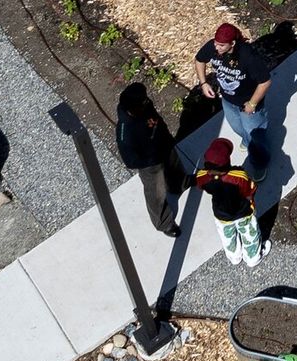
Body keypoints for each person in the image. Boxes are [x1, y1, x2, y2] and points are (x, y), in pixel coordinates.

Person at [115, 83, 183, 237]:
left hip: (164, 145)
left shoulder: (144, 105)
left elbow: (156, 119)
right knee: (156, 193)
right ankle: (164, 223)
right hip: (150, 164)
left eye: (145, 99)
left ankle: (180, 184)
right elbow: (130, 161)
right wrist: (150, 159)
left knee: (175, 167)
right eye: (143, 102)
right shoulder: (125, 130)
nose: (147, 102)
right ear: (133, 108)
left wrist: (166, 136)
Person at [194, 20, 271, 153]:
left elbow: (265, 82)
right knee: (237, 127)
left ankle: (261, 159)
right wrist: (204, 83)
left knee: (255, 134)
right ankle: (247, 140)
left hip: (248, 103)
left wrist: (252, 104)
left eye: (221, 45)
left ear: (232, 43)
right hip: (228, 100)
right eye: (216, 43)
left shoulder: (247, 56)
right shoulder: (213, 47)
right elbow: (199, 60)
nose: (216, 47)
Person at [192, 138, 265, 266]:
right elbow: (250, 190)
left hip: (221, 214)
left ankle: (234, 257)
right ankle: (252, 257)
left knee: (227, 236)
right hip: (242, 212)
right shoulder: (238, 176)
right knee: (249, 234)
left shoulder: (202, 176)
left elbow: (200, 184)